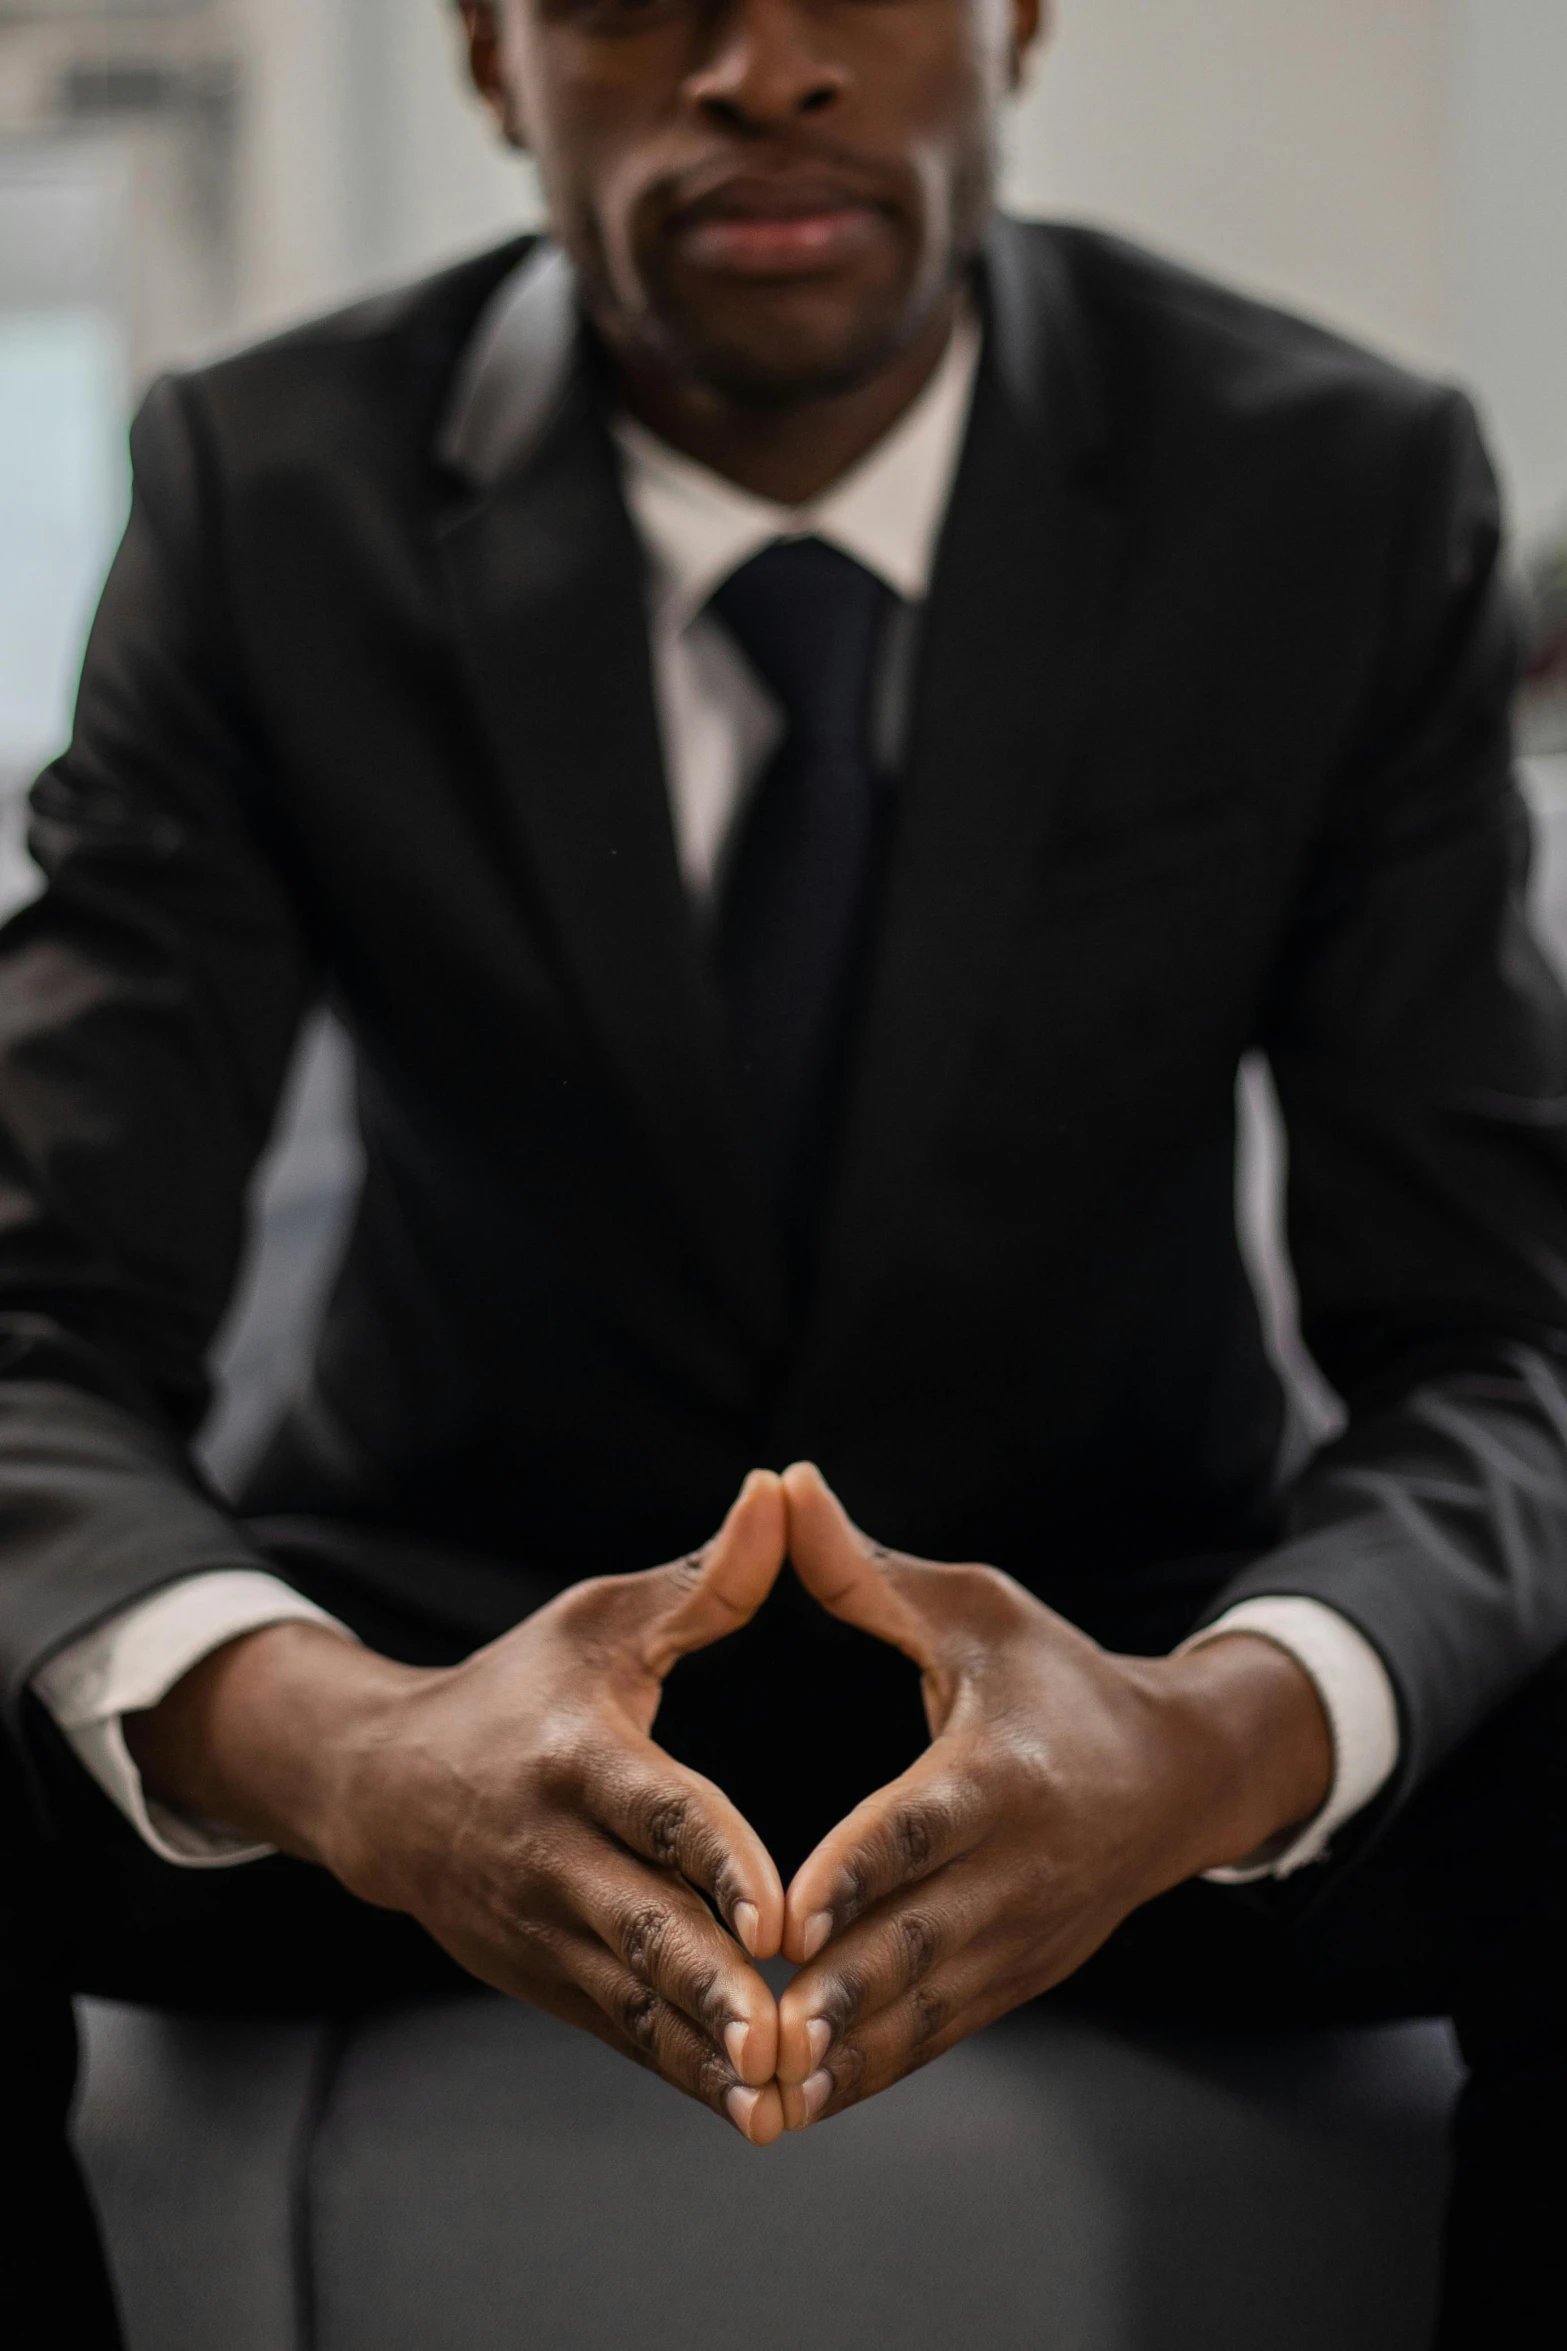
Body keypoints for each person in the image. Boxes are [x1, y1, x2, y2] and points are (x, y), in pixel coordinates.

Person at [0, 0, 1563, 2340]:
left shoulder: (1331, 487)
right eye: (640, 0)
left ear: (1020, 17)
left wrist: (1222, 1729)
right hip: (440, 1658)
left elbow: (1502, 1329)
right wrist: (331, 1745)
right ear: (490, 56)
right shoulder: (269, 490)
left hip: (1134, 1649)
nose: (764, 68)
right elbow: (34, 1315)